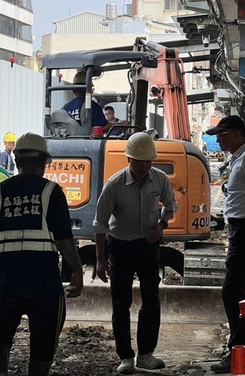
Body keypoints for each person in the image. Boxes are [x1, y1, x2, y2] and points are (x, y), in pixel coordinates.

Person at [0, 132, 84, 376]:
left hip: (8, 282)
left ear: (16, 160)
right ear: (45, 160)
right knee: (44, 338)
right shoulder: (51, 192)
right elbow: (64, 241)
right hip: (43, 284)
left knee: (0, 335)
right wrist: (77, 271)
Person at [93, 132, 176, 374]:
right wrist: (100, 260)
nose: (144, 167)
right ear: (129, 159)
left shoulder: (159, 179)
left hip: (148, 246)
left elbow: (171, 205)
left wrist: (161, 226)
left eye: (148, 162)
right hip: (121, 246)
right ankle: (126, 357)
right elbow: (99, 224)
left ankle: (146, 354)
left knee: (151, 298)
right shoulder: (115, 184)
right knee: (121, 302)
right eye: (139, 162)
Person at [205, 115, 245, 373]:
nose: (219, 139)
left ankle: (237, 349)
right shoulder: (239, 158)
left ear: (236, 134)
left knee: (232, 291)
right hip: (241, 229)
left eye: (222, 135)